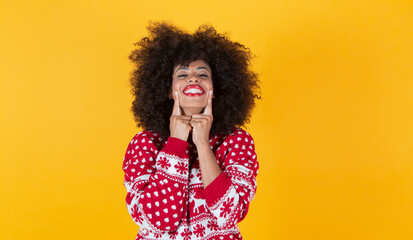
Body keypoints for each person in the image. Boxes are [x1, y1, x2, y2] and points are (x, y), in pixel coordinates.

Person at [122, 20, 262, 240]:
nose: (193, 78)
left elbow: (229, 215)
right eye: (182, 74)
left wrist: (203, 144)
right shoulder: (144, 144)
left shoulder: (237, 142)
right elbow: (159, 219)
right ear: (169, 90)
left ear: (214, 91)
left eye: (203, 74)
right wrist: (176, 144)